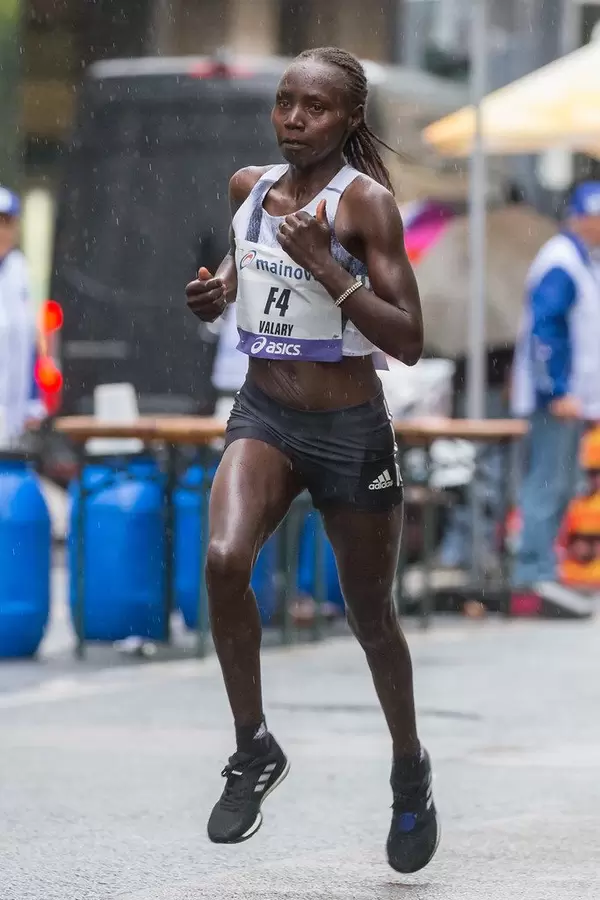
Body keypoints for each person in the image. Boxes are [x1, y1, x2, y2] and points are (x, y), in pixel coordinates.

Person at [185, 47, 439, 873]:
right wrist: (218, 292)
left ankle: (409, 766)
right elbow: (246, 267)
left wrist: (328, 267)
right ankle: (253, 745)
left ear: (350, 118)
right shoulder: (248, 187)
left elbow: (409, 339)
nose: (294, 120)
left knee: (371, 618)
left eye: (316, 107)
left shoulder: (366, 205)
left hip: (350, 431)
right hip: (265, 414)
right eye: (285, 102)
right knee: (225, 559)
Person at [511, 181, 600, 618]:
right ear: (583, 219)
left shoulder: (581, 260)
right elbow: (546, 330)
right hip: (555, 399)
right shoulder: (562, 261)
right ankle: (532, 572)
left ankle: (541, 567)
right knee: (548, 482)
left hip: (570, 398)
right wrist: (557, 390)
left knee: (560, 483)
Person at [0, 187, 45, 445]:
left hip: (13, 406)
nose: (2, 231)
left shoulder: (19, 268)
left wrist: (33, 398)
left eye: (8, 223)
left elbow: (29, 340)